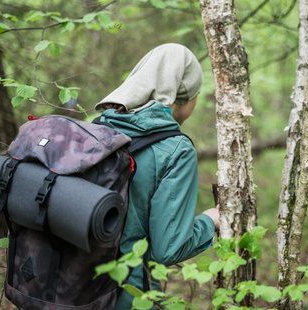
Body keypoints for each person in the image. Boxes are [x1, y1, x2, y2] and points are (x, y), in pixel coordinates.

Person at [94, 43, 220, 308]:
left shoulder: (99, 128)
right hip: (130, 297)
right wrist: (210, 221)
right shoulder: (176, 149)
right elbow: (169, 249)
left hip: (75, 288)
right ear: (181, 97)